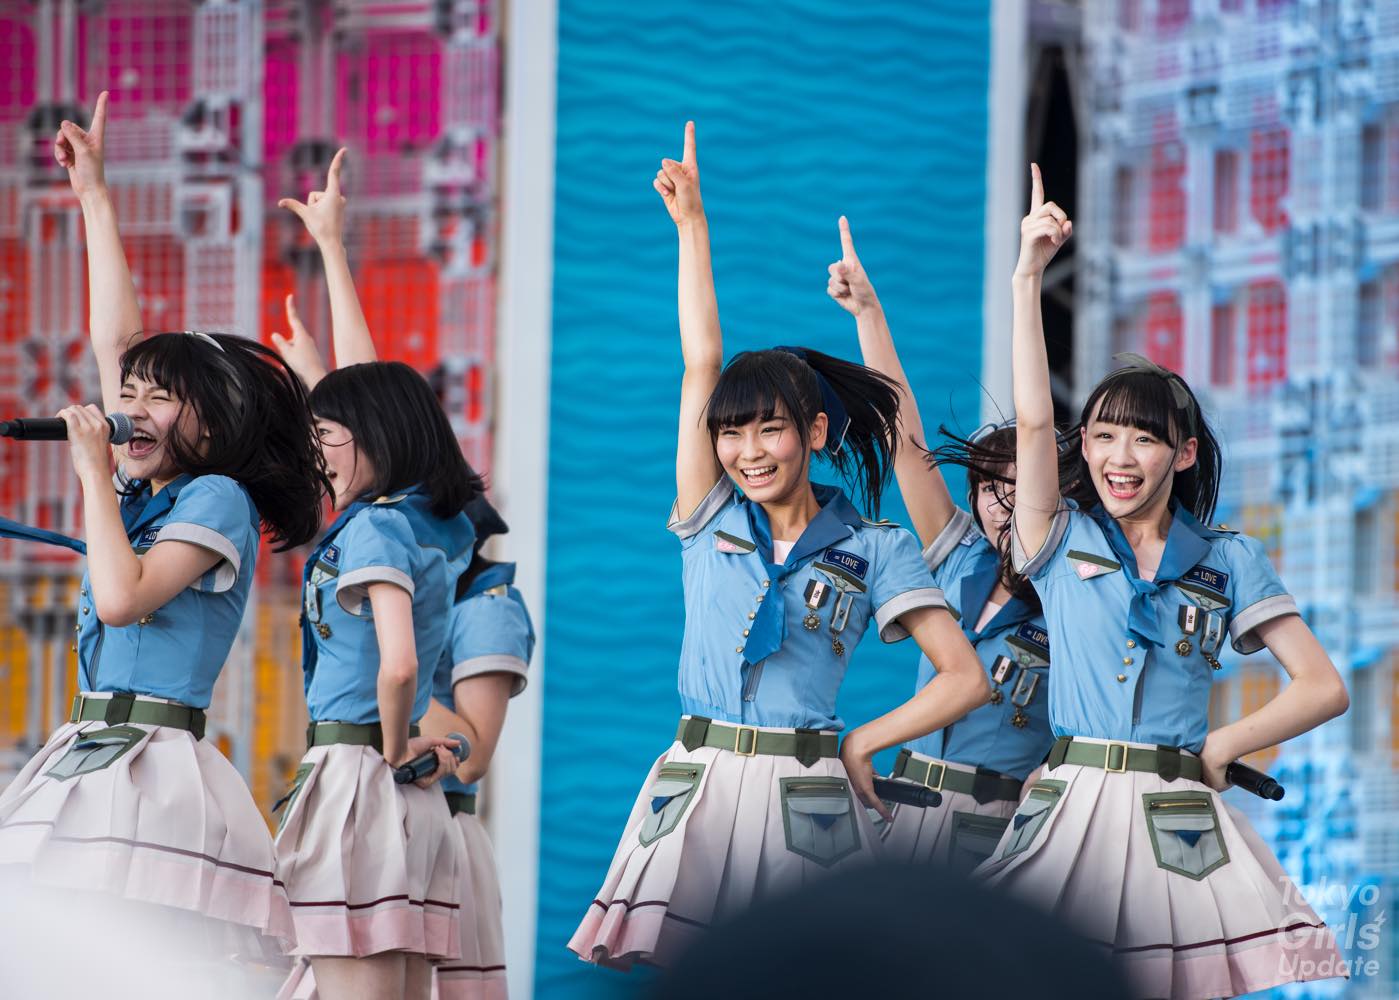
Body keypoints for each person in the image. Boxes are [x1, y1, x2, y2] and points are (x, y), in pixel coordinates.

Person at [567, 122, 989, 970]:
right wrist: (692, 227)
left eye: (769, 429)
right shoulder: (710, 516)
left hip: (807, 796)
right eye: (732, 432)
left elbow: (965, 677)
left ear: (816, 433)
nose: (747, 451)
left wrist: (864, 742)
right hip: (698, 781)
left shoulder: (875, 547)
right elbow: (701, 362)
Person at [975, 164, 1350, 998]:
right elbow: (1032, 421)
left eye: (1143, 440)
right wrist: (1027, 277)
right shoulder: (1057, 535)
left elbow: (1322, 686)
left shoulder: (1227, 558)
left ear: (1181, 454)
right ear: (1084, 447)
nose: (1119, 457)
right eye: (1103, 437)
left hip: (1175, 817)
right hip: (1070, 806)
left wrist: (1221, 745)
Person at [0, 90, 327, 978]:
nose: (130, 408)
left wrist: (89, 475)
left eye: (159, 398)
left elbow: (123, 596)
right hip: (89, 750)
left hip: (152, 765)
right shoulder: (140, 492)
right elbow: (116, 340)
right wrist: (94, 195)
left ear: (215, 422)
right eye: (129, 396)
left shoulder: (216, 498)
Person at [826, 217, 1055, 868]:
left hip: (998, 826)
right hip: (902, 806)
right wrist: (868, 314)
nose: (1003, 504)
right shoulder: (958, 556)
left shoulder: (1077, 592)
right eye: (988, 488)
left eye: (1021, 488)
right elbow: (903, 441)